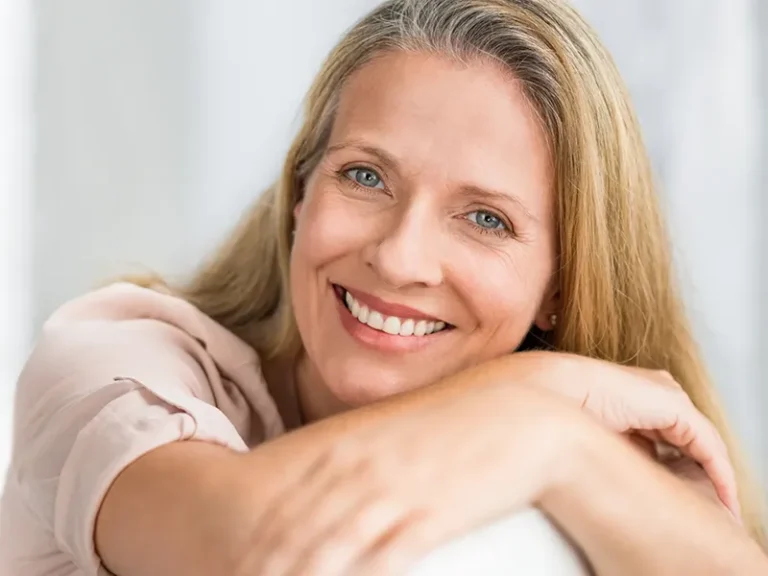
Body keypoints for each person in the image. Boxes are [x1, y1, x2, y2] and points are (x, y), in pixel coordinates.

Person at [2, 0, 767, 574]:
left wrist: (549, 438)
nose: (401, 259)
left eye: (486, 220)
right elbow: (249, 551)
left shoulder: (583, 439)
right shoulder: (112, 365)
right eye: (365, 176)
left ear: (560, 286)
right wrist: (534, 415)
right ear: (299, 191)